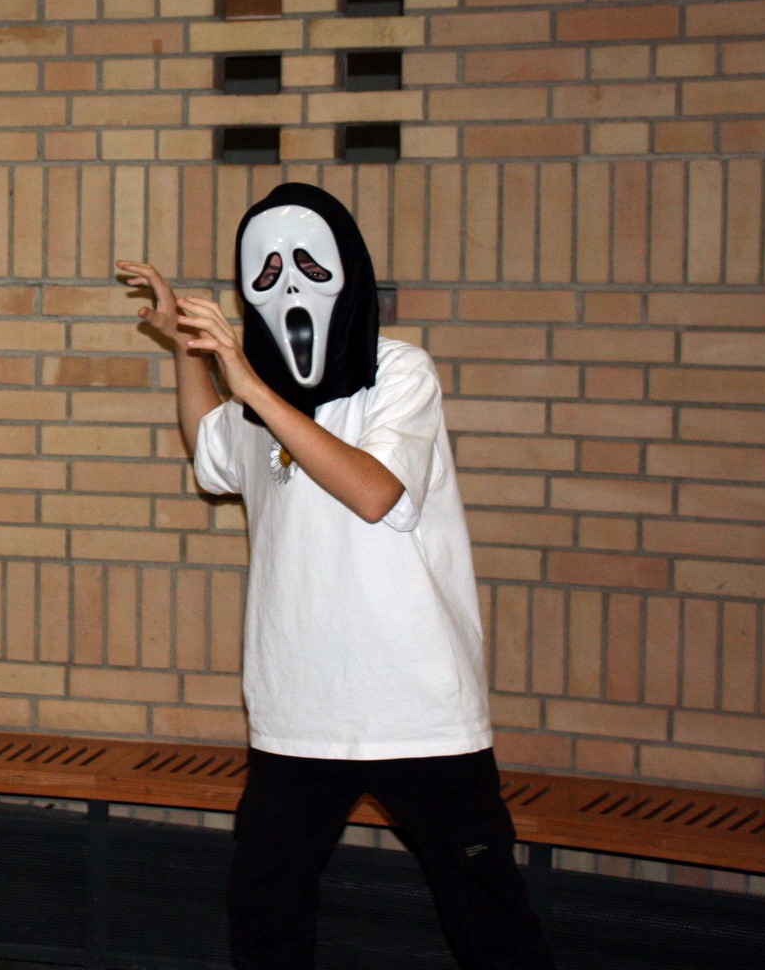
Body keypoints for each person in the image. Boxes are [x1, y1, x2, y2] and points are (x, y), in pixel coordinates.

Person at [119, 182, 554, 970]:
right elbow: (212, 454)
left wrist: (250, 385)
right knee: (266, 915)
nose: (289, 286)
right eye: (268, 270)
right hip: (298, 710)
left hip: (415, 707)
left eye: (310, 265)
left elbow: (374, 491)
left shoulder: (399, 370)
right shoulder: (256, 402)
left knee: (488, 919)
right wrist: (188, 349)